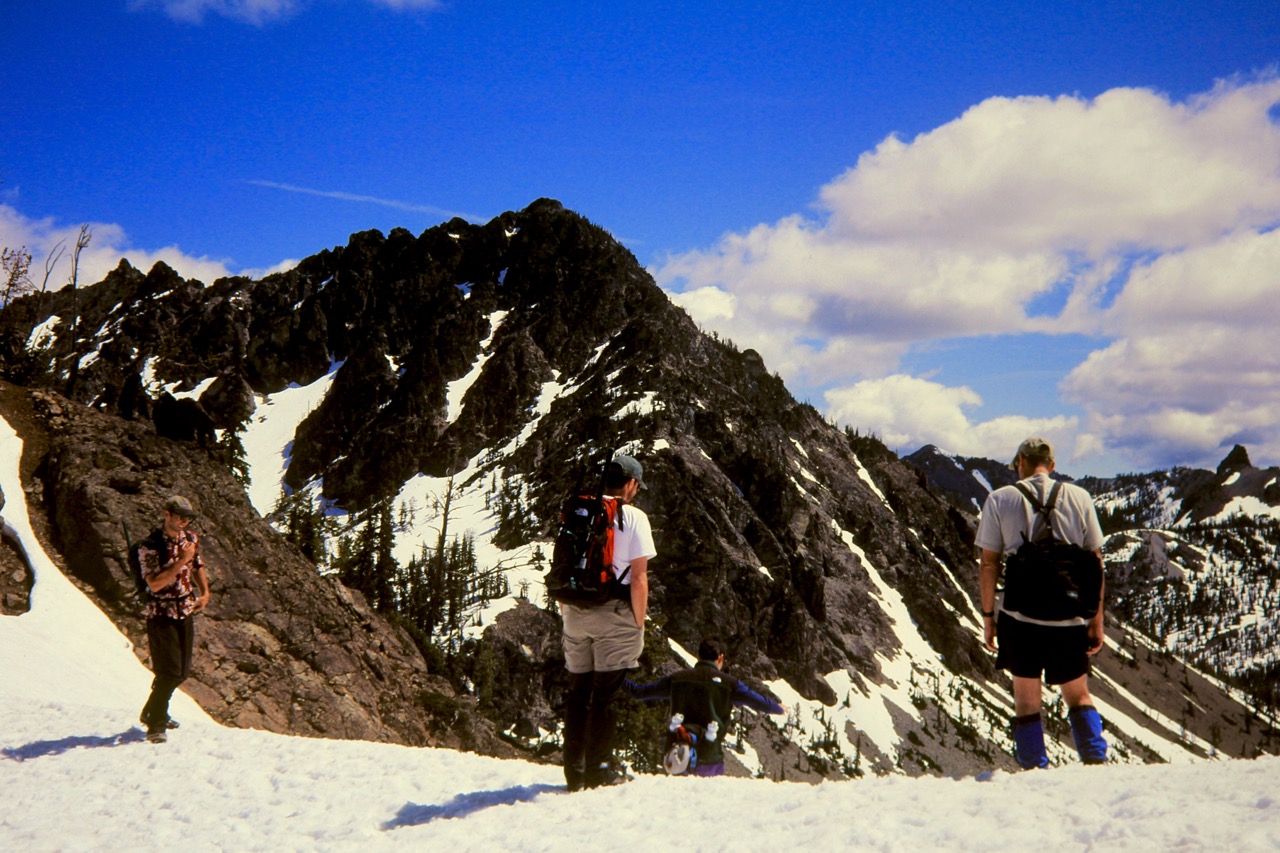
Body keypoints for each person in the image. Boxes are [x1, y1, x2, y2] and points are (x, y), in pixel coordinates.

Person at [976, 437, 1107, 768]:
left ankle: (1035, 770)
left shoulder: (999, 499)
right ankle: (1095, 762)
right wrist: (1096, 619)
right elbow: (1095, 562)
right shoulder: (1079, 497)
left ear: (1020, 460)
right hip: (1070, 615)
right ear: (1052, 464)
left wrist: (989, 617)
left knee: (1025, 700)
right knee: (1078, 694)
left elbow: (989, 564)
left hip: (1020, 617)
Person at [560, 454, 656, 790]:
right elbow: (640, 578)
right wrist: (638, 623)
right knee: (604, 696)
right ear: (630, 483)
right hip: (614, 614)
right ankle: (599, 772)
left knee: (578, 693)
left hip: (574, 611)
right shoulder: (634, 517)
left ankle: (573, 773)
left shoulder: (580, 509)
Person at [625, 636, 787, 777]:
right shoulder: (729, 684)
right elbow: (757, 701)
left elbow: (639, 692)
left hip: (677, 756)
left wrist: (610, 675)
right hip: (710, 759)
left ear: (698, 656)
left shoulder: (677, 679)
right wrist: (778, 707)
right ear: (720, 658)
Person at [137, 495, 211, 744]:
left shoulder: (190, 539)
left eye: (187, 518)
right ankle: (155, 723)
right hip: (161, 612)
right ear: (166, 514)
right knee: (168, 670)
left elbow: (198, 565)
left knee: (181, 671)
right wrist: (181, 560)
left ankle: (153, 710)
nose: (184, 522)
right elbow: (155, 584)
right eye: (180, 516)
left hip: (185, 608)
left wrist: (205, 592)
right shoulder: (150, 546)